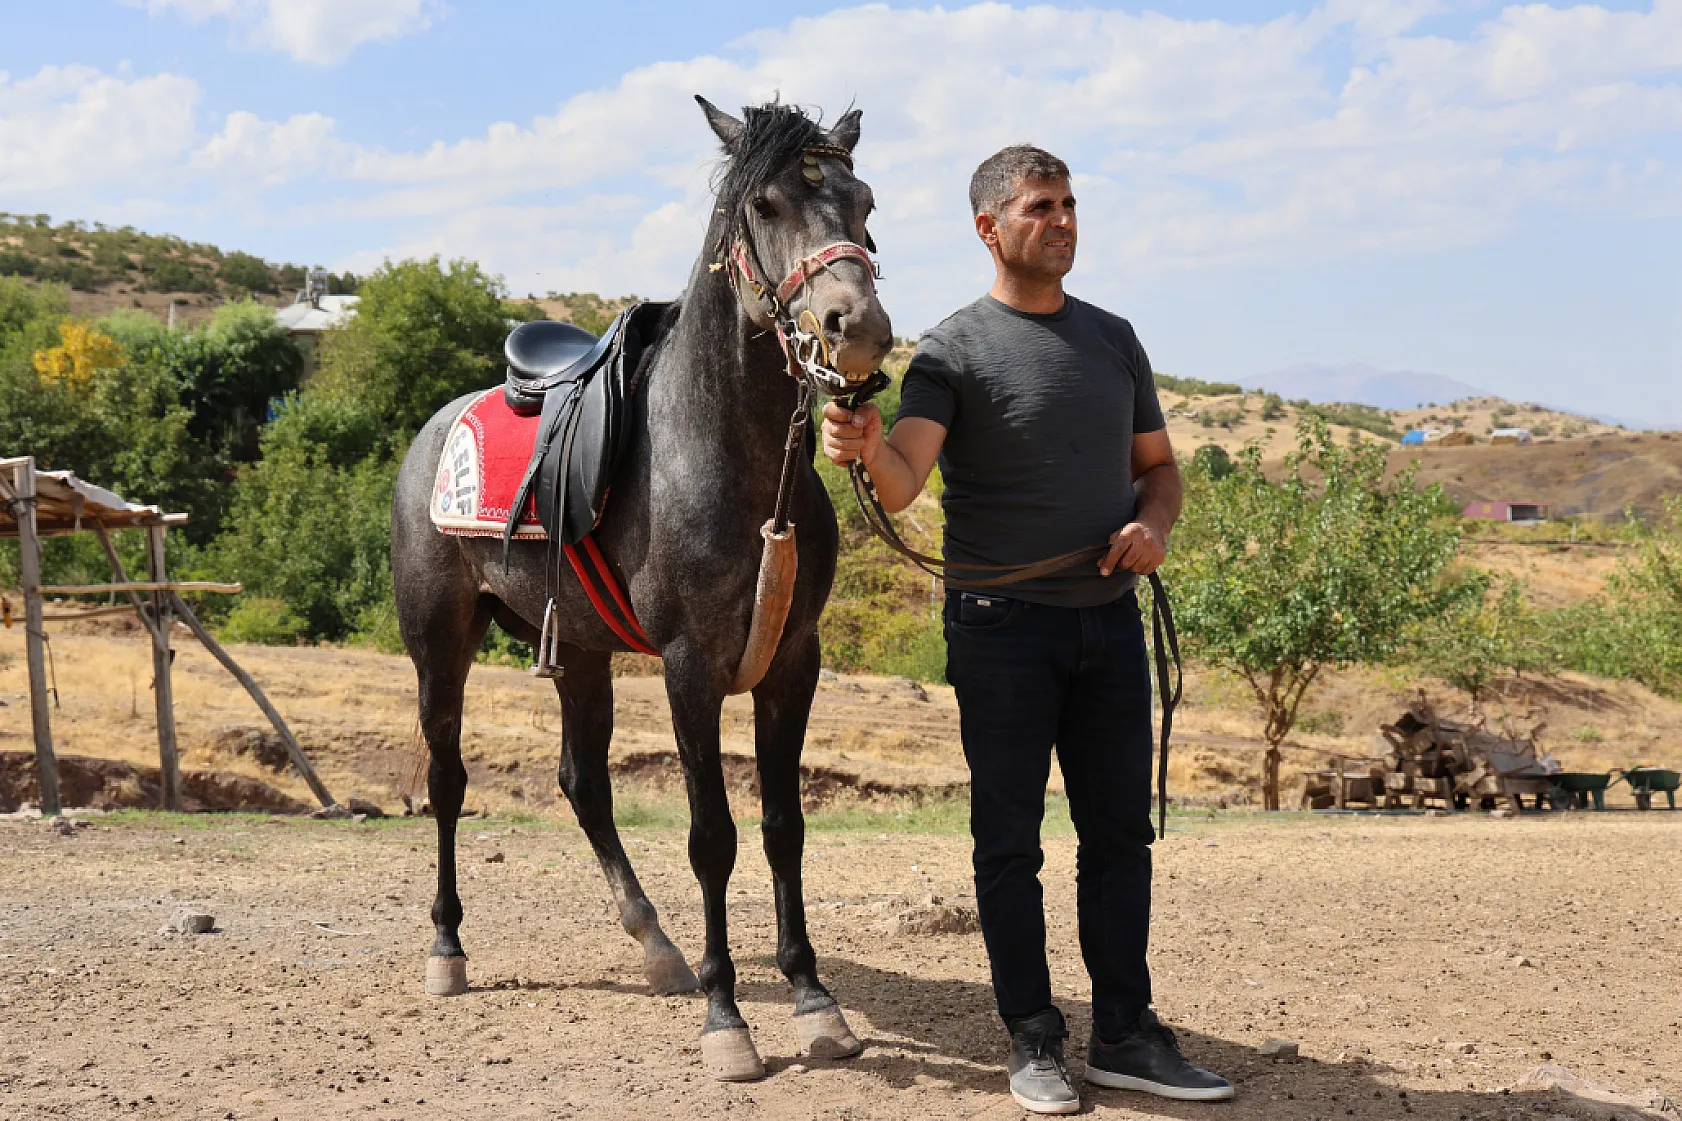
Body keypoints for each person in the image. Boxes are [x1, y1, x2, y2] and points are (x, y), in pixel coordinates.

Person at [820, 146, 1234, 1113]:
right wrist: (863, 444)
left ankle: (1125, 1034)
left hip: (1109, 623)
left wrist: (1153, 526)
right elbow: (904, 480)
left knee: (1120, 835)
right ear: (989, 228)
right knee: (1009, 842)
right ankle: (1033, 1039)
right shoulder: (954, 350)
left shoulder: (1114, 339)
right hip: (1001, 629)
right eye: (1041, 206)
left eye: (1071, 204)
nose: (1063, 220)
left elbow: (1159, 470)